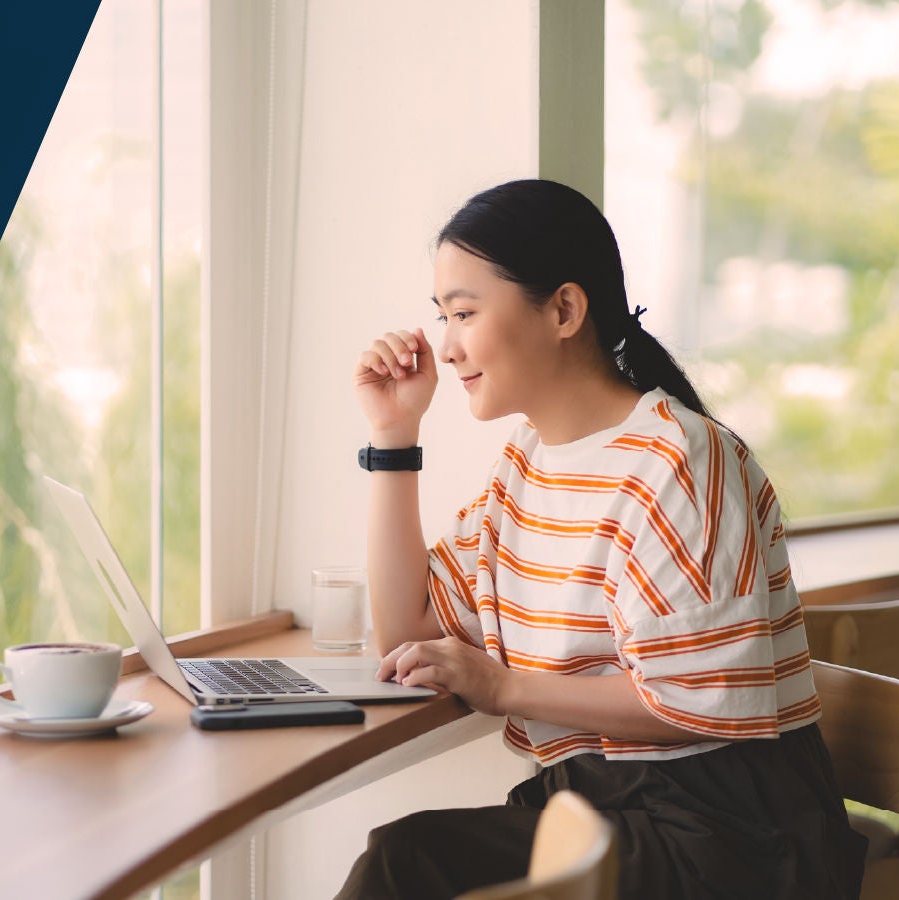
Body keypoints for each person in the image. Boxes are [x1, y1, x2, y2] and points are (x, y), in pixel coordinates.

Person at [335, 179, 867, 900]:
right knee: (408, 860)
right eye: (441, 316)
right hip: (607, 808)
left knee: (408, 865)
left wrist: (502, 686)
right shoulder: (527, 463)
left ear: (563, 309)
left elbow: (696, 703)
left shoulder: (681, 462)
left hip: (733, 835)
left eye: (464, 313)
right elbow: (405, 633)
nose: (447, 347)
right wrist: (394, 437)